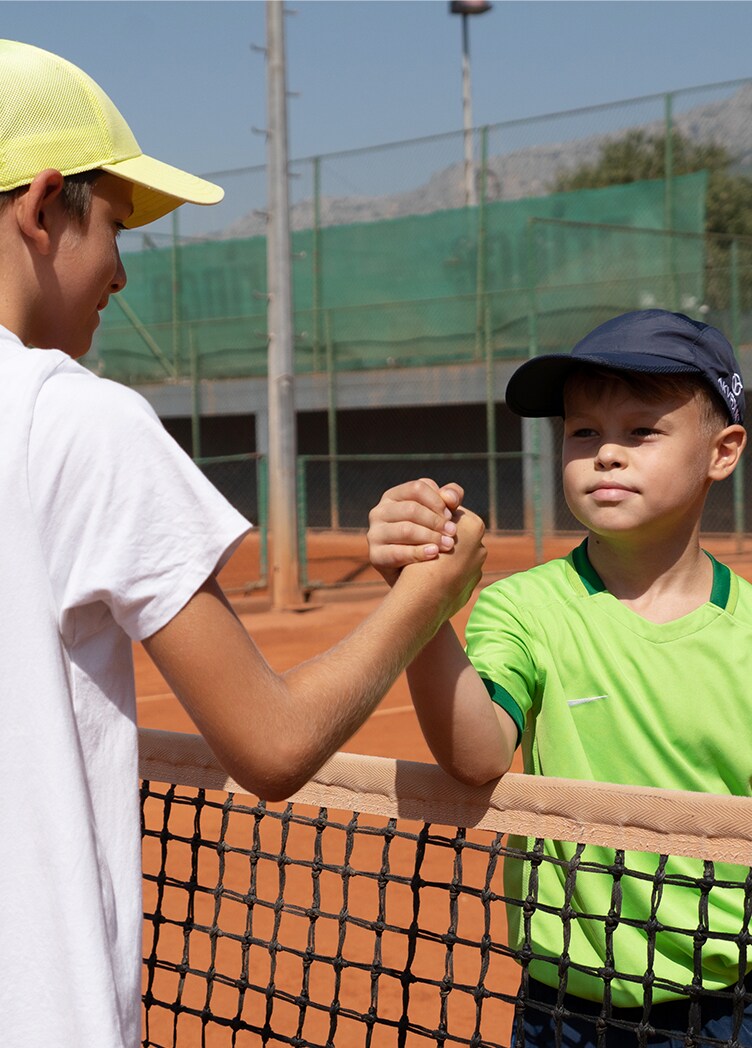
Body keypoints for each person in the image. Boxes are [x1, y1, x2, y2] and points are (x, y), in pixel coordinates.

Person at [0, 39, 487, 1048]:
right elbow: (268, 743)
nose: (122, 272)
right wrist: (426, 594)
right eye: (116, 224)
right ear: (43, 207)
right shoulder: (76, 422)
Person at [367, 308, 752, 1046]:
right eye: (583, 432)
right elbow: (478, 756)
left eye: (642, 431)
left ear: (722, 451)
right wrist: (420, 598)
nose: (606, 453)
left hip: (725, 1010)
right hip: (560, 1011)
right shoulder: (523, 607)